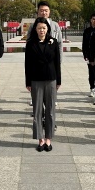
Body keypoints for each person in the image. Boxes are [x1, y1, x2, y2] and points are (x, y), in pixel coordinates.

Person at [25, 17, 61, 152]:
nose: (42, 30)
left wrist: (58, 80)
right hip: (36, 79)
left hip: (51, 79)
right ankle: (40, 139)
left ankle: (48, 138)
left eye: (44, 28)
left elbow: (57, 62)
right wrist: (28, 82)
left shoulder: (53, 42)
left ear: (47, 29)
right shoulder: (31, 44)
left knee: (50, 111)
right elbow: (27, 64)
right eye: (39, 28)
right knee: (37, 111)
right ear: (35, 29)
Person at [82, 14, 95, 97]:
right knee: (91, 73)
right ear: (91, 20)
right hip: (90, 56)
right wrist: (85, 54)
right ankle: (92, 88)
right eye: (93, 19)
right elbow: (84, 44)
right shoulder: (87, 31)